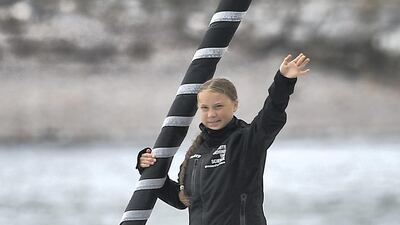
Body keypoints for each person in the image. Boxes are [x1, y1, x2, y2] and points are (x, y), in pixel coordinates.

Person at [136, 53, 310, 225]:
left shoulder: (247, 140)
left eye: (218, 106)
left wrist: (284, 80)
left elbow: (272, 114)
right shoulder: (196, 154)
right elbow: (180, 200)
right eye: (204, 108)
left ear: (235, 105)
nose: (211, 114)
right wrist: (147, 169)